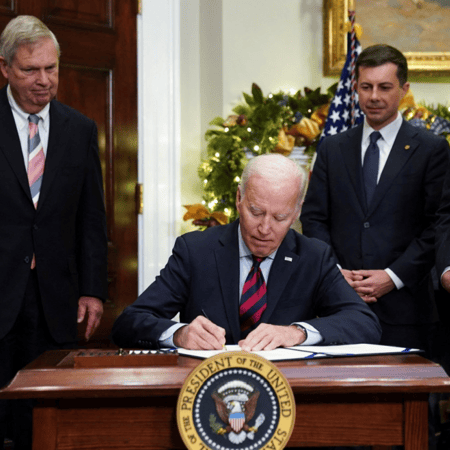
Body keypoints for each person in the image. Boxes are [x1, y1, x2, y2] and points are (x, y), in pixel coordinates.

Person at [112, 153, 381, 351]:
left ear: (297, 213)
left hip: (288, 393)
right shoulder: (196, 251)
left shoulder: (313, 257)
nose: (265, 228)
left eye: (280, 217)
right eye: (256, 212)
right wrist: (179, 334)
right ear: (239, 198)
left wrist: (296, 333)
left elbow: (364, 323)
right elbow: (129, 322)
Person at [0, 16, 107, 450]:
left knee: (43, 421)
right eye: (30, 70)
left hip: (56, 299)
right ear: (5, 67)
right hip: (2, 292)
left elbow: (91, 218)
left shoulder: (79, 130)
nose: (43, 81)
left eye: (51, 68)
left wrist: (93, 290)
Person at [300, 44, 449, 355]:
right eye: (366, 87)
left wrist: (392, 277)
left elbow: (437, 225)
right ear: (355, 88)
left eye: (385, 87)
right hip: (338, 306)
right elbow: (315, 218)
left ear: (404, 89)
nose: (374, 96)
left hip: (407, 312)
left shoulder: (432, 149)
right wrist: (334, 270)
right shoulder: (332, 148)